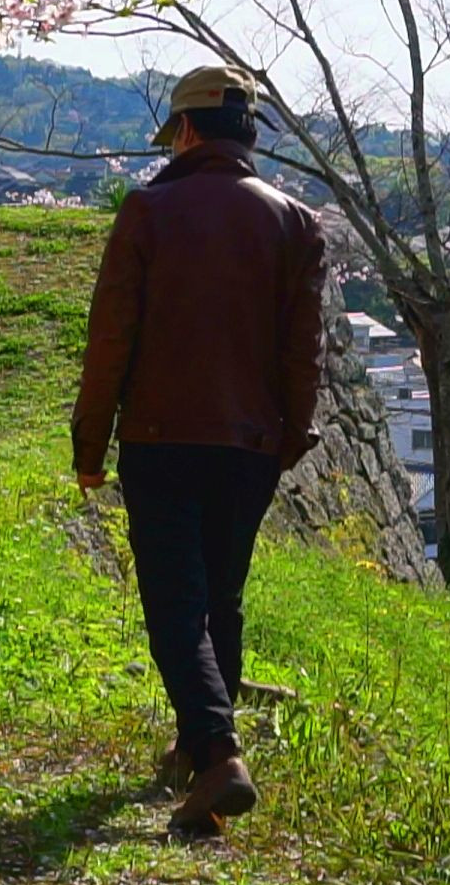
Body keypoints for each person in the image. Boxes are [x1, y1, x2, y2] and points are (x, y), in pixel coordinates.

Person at [72, 63, 327, 838]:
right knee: (222, 598)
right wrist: (288, 439)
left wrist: (90, 444)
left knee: (176, 606)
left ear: (184, 131)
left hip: (161, 438)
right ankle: (193, 753)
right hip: (251, 447)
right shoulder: (296, 222)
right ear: (248, 136)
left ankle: (219, 755)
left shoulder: (149, 211)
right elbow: (303, 356)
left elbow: (110, 339)